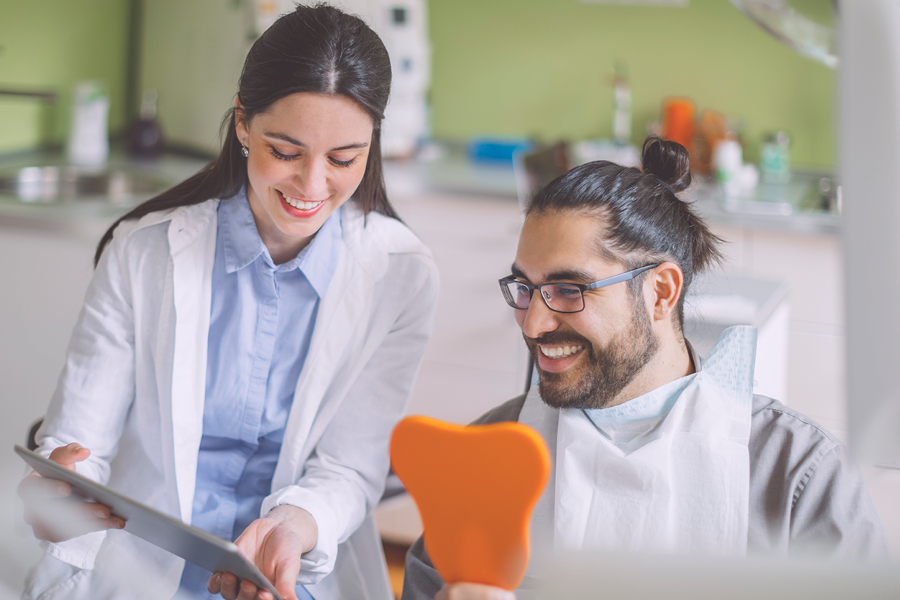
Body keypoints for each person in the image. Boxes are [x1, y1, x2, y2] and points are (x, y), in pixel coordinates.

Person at [17, 5, 439, 600]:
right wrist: (63, 489)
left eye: (344, 159)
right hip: (136, 569)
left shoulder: (402, 275)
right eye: (286, 151)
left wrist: (291, 531)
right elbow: (78, 444)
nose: (312, 187)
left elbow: (348, 468)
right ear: (242, 123)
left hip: (290, 570)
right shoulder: (144, 252)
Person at [402, 136, 889, 600]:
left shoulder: (797, 476)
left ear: (660, 292)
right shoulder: (484, 456)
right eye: (524, 287)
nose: (533, 323)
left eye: (570, 289)